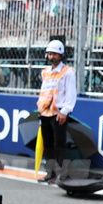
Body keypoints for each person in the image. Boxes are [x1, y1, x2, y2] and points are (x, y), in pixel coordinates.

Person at [37, 39, 76, 182]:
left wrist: (65, 111)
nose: (51, 57)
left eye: (54, 54)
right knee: (47, 145)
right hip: (45, 113)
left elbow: (71, 94)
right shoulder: (45, 72)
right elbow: (44, 91)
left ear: (60, 55)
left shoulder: (68, 72)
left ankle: (64, 175)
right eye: (49, 54)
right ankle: (51, 173)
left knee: (59, 145)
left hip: (59, 113)